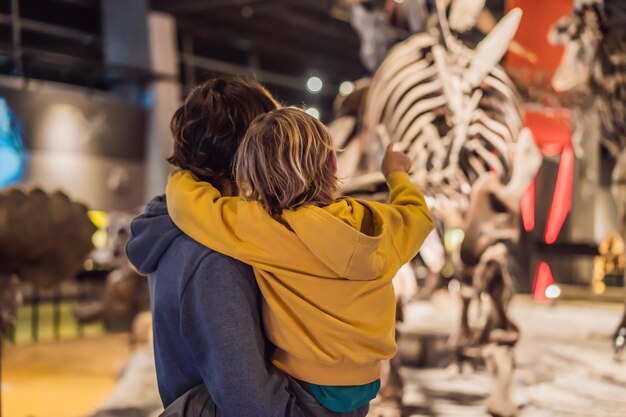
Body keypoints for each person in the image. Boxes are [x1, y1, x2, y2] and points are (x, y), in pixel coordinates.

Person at [165, 107, 435, 414]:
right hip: (367, 382)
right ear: (333, 164)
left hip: (306, 384)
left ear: (248, 178)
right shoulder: (377, 224)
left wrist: (182, 176)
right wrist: (396, 174)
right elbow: (418, 215)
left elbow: (193, 208)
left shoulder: (266, 228)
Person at [126, 78, 338, 417]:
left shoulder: (201, 231)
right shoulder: (212, 256)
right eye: (275, 142)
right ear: (252, 153)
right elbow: (252, 405)